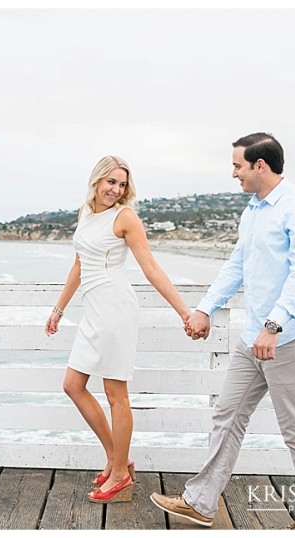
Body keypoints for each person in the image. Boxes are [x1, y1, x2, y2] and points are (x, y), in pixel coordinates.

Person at [149, 133, 295, 529]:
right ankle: (200, 502)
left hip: (291, 339)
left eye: (238, 165)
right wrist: (204, 308)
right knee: (226, 415)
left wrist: (274, 325)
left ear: (260, 166)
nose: (234, 173)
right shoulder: (253, 210)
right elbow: (237, 265)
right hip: (252, 339)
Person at [45, 155, 191, 504]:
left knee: (115, 392)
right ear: (96, 180)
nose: (116, 190)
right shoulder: (85, 213)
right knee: (72, 385)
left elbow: (151, 268)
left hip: (115, 308)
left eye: (122, 184)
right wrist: (58, 309)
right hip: (93, 308)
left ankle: (120, 472)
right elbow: (79, 265)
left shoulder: (125, 217)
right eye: (111, 182)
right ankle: (118, 459)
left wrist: (185, 312)